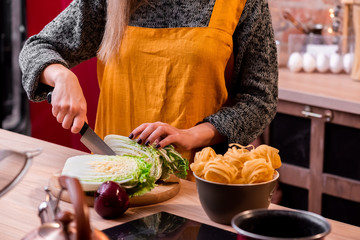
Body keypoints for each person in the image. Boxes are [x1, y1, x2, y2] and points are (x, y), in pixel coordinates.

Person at [19, 0, 278, 166]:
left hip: (196, 184)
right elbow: (37, 48)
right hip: (113, 178)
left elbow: (260, 100)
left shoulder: (243, 3)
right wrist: (61, 76)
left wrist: (190, 136)